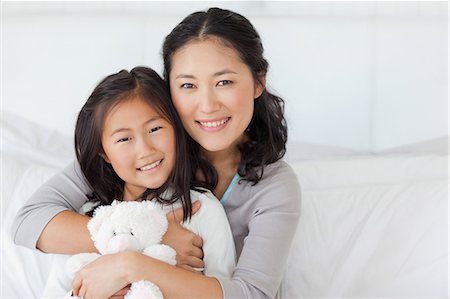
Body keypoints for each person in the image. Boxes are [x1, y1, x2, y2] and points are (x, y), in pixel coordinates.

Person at [12, 7, 301, 299]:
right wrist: (150, 235)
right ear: (168, 91)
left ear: (258, 82)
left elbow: (253, 294)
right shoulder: (142, 155)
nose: (207, 104)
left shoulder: (274, 185)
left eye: (224, 82)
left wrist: (131, 263)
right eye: (188, 85)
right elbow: (30, 222)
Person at [30, 66, 236, 297]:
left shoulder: (201, 211)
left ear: (177, 129)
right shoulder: (92, 218)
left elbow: (225, 291)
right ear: (103, 153)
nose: (145, 149)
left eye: (155, 129)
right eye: (124, 138)